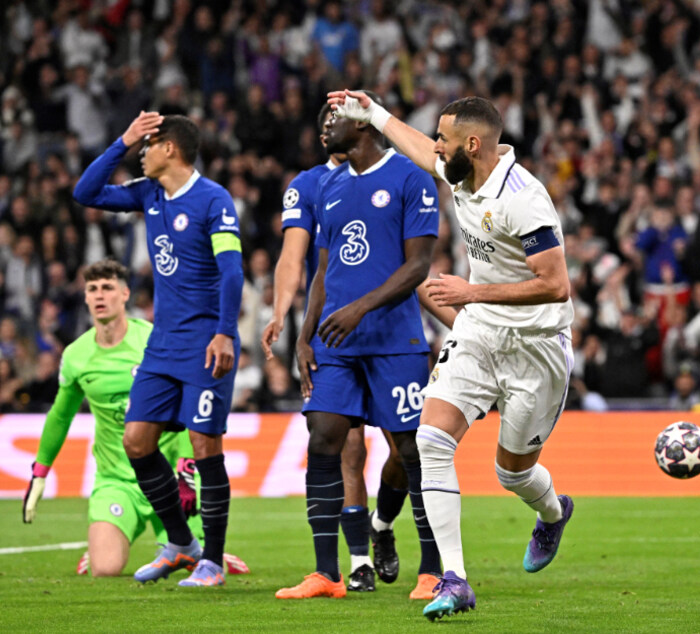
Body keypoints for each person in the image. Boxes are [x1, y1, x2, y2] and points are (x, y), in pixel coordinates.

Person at [329, 91, 575, 621]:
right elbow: (420, 149)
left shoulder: (524, 198)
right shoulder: (464, 172)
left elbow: (555, 285)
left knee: (512, 474)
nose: (437, 147)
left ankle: (553, 512)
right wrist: (372, 113)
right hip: (482, 334)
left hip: (536, 348)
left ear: (471, 143)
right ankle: (455, 578)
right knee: (431, 439)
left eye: (444, 137)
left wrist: (472, 292)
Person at [276, 91, 442, 601]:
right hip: (334, 344)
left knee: (412, 450)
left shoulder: (411, 178)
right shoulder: (326, 185)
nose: (325, 127)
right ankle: (326, 573)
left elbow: (418, 267)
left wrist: (359, 309)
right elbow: (323, 270)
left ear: (364, 126)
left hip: (394, 340)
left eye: (335, 118)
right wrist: (304, 337)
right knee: (323, 438)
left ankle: (432, 570)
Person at [72, 111, 244, 586]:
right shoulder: (148, 194)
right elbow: (85, 192)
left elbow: (231, 271)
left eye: (147, 145)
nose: (141, 154)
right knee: (136, 440)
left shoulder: (213, 199)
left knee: (205, 444)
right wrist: (122, 140)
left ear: (170, 148)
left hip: (208, 341)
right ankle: (180, 544)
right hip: (164, 344)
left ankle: (212, 558)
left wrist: (225, 331)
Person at [21, 260, 249, 578]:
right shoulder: (76, 355)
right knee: (106, 568)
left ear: (125, 294)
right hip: (117, 482)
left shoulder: (153, 342)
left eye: (108, 287)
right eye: (92, 289)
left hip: (168, 478)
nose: (100, 295)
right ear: (85, 297)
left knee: (198, 563)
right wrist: (40, 471)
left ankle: (208, 551)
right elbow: (61, 414)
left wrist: (186, 468)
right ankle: (105, 545)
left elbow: (188, 402)